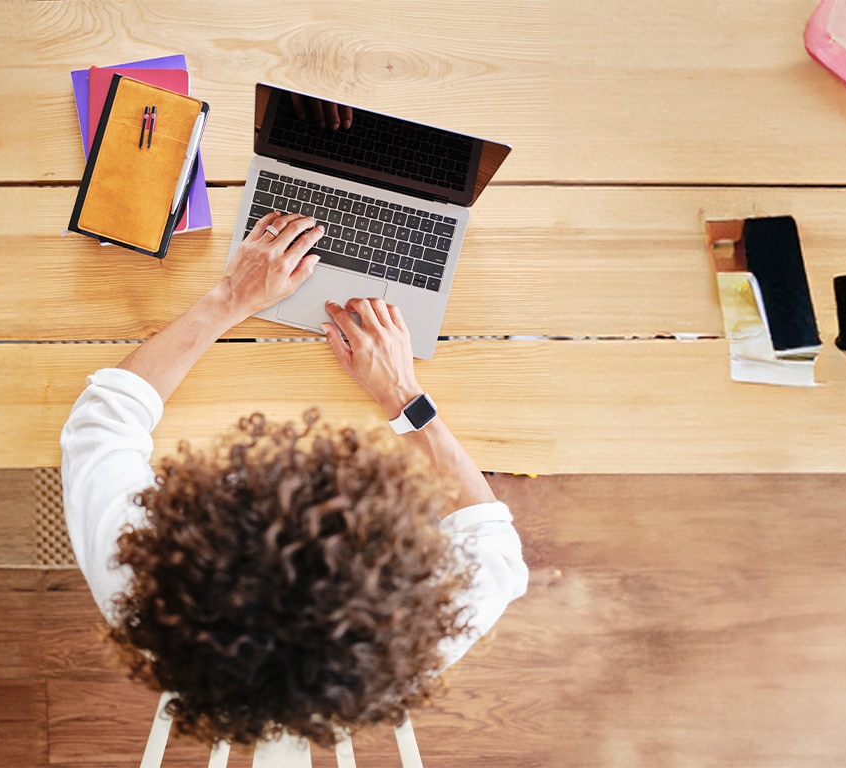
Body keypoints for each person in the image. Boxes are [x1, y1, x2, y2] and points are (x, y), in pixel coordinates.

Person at [61, 211, 528, 748]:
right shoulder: (414, 628)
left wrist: (230, 299)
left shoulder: (145, 586)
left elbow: (101, 423)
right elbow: (496, 546)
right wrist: (401, 396)